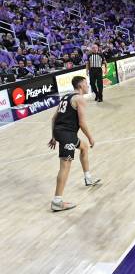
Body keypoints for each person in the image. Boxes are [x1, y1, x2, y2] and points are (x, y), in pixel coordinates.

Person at [48, 76, 101, 211]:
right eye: (86, 83)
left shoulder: (66, 97)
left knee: (83, 148)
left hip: (63, 133)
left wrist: (54, 136)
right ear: (81, 85)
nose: (88, 85)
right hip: (67, 135)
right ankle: (57, 201)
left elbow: (54, 118)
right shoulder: (79, 99)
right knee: (65, 166)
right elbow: (82, 123)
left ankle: (88, 178)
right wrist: (90, 138)